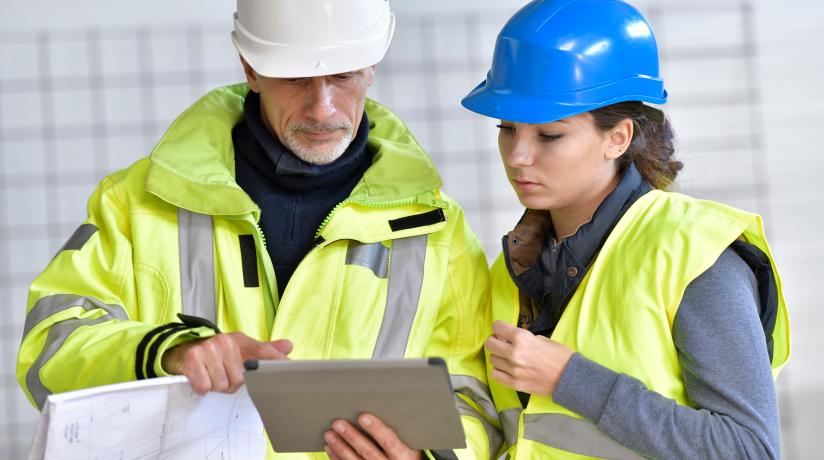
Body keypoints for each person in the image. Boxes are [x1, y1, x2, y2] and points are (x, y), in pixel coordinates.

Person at [17, 1, 501, 458]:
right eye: (295, 78)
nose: (322, 108)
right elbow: (49, 351)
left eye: (343, 75)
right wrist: (168, 353)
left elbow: (478, 402)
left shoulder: (439, 232)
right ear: (250, 68)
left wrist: (426, 456)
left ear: (372, 66)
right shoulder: (137, 203)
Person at [460, 0, 790, 458]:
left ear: (618, 138)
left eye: (548, 135)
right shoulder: (511, 270)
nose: (517, 156)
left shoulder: (691, 254)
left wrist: (569, 379)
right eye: (507, 128)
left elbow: (748, 449)